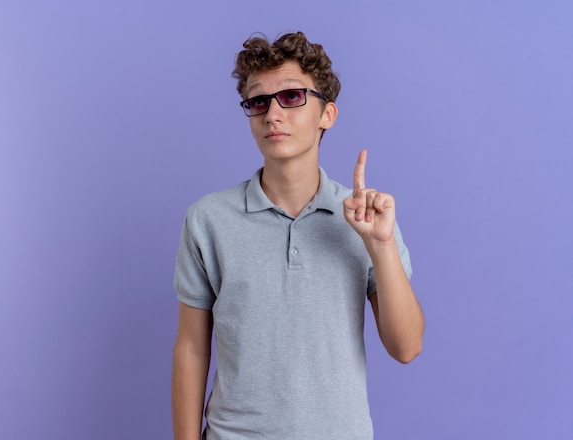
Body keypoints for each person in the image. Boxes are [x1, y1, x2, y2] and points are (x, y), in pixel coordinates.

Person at [171, 31, 424, 440]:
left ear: (327, 114)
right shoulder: (208, 219)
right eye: (258, 101)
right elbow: (191, 348)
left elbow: (406, 347)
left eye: (291, 97)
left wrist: (380, 245)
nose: (272, 114)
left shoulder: (366, 217)